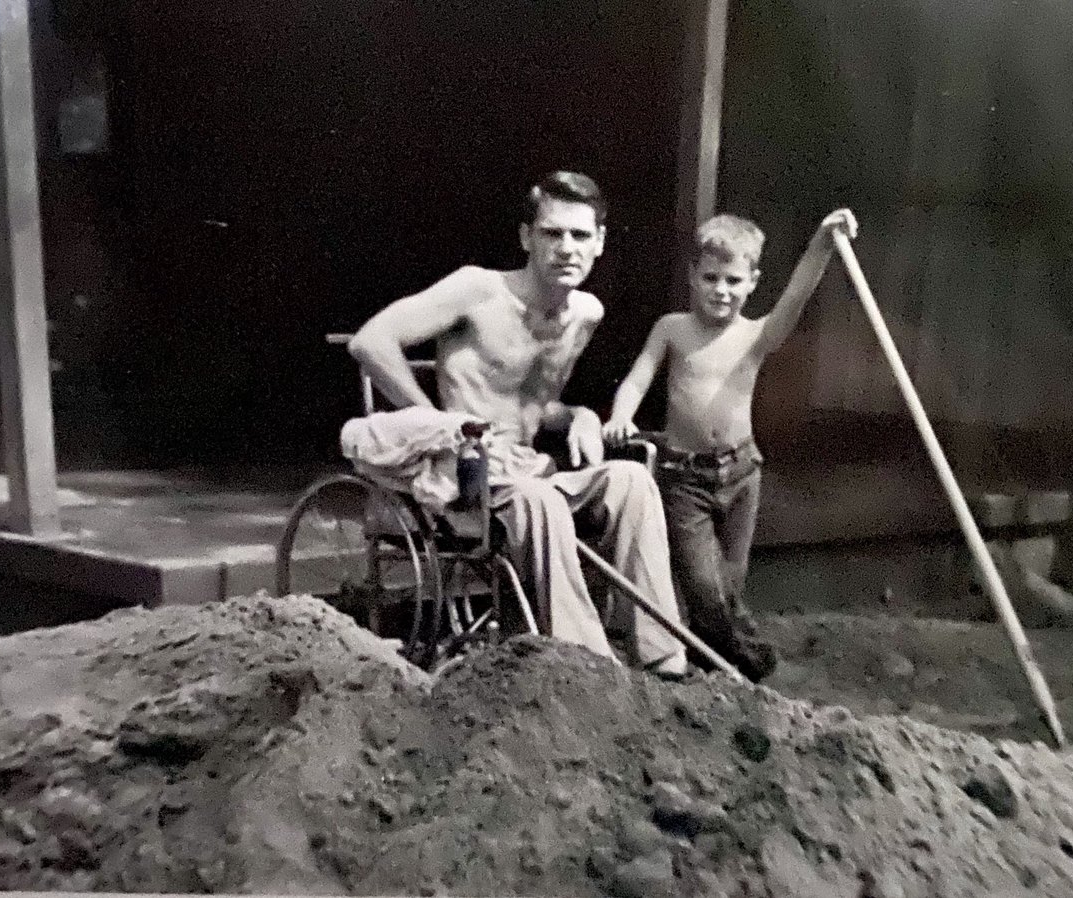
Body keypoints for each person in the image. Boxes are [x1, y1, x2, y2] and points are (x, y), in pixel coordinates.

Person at [348, 171, 688, 677]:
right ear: (528, 237)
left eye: (579, 235)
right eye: (552, 233)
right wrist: (440, 422)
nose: (566, 248)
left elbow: (531, 403)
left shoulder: (585, 314)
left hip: (527, 470)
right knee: (540, 497)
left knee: (632, 481)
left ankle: (666, 659)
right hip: (468, 485)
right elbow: (370, 342)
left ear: (600, 241)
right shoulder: (477, 291)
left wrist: (582, 415)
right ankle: (590, 668)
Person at [603, 209, 858, 680]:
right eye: (711, 278)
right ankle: (744, 659)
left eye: (733, 281)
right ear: (692, 277)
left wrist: (821, 244)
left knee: (731, 580)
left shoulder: (756, 335)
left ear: (753, 282)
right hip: (684, 478)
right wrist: (622, 414)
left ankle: (712, 658)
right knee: (702, 582)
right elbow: (638, 380)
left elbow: (796, 297)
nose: (722, 290)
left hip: (742, 471)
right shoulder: (673, 328)